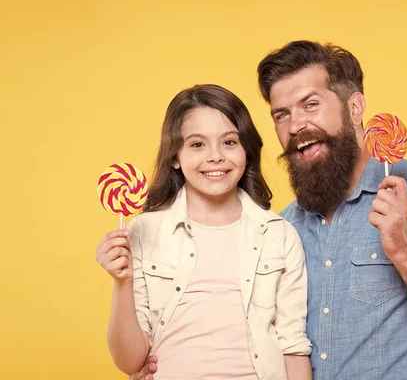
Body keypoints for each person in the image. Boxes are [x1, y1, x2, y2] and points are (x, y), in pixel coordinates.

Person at [132, 41, 407, 380]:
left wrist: (406, 253)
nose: (297, 126)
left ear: (355, 107)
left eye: (311, 104)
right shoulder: (281, 227)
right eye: (281, 115)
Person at [95, 84, 312, 380]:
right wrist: (122, 282)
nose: (215, 157)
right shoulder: (143, 232)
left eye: (229, 142)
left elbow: (293, 347)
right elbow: (129, 361)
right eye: (197, 144)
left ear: (246, 150)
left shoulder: (279, 235)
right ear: (175, 156)